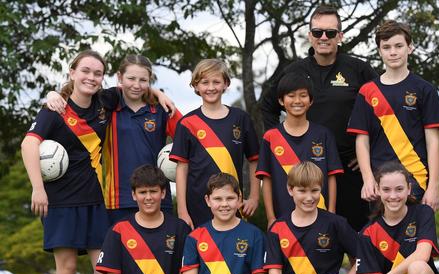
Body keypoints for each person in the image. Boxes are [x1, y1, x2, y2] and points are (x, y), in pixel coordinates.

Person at [260, 6, 378, 274]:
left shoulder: (358, 69)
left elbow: (380, 111)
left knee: (350, 245)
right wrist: (277, 139)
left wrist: (365, 153)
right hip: (298, 178)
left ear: (340, 36)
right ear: (309, 35)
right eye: (317, 32)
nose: (324, 38)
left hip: (348, 173)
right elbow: (268, 105)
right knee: (304, 250)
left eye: (330, 32)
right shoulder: (295, 70)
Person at [21, 50, 113, 274]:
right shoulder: (54, 110)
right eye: (85, 71)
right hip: (59, 202)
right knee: (68, 269)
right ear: (72, 72)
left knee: (104, 269)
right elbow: (29, 144)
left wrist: (158, 95)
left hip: (94, 201)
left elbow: (135, 86)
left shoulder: (104, 104)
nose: (91, 77)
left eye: (97, 73)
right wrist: (38, 188)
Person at [45, 55, 180, 225]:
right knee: (117, 251)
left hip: (158, 198)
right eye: (131, 78)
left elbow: (189, 140)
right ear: (119, 77)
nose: (136, 85)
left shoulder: (162, 109)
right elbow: (78, 97)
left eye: (143, 80)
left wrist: (158, 93)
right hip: (117, 200)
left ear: (149, 81)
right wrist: (52, 94)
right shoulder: (105, 107)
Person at [347, 20, 439, 208]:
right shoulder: (367, 92)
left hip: (415, 180)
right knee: (381, 238)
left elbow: (433, 142)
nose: (393, 52)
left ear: (410, 48)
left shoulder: (425, 89)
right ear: (379, 51)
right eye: (386, 47)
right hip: (379, 184)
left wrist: (434, 185)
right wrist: (368, 179)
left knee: (414, 237)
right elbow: (362, 140)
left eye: (398, 46)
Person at [171, 59, 260, 229]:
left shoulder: (240, 119)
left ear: (225, 84)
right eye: (205, 82)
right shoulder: (187, 123)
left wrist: (254, 197)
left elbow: (255, 160)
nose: (211, 87)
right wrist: (182, 210)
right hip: (196, 207)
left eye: (216, 82)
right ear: (196, 86)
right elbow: (181, 168)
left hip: (232, 204)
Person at [256, 72, 343, 225]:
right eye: (291, 95)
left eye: (303, 95)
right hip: (283, 220)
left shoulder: (324, 134)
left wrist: (332, 212)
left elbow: (332, 176)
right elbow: (267, 180)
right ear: (281, 100)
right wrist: (271, 218)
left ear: (311, 101)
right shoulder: (271, 137)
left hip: (321, 218)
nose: (297, 101)